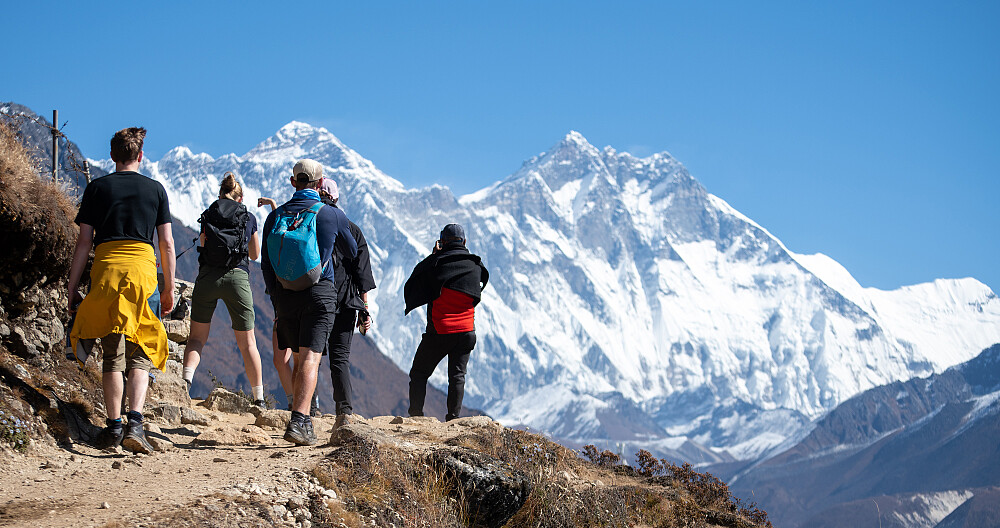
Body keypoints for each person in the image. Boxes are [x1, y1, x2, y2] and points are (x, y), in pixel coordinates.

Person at [68, 126, 175, 454]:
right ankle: (136, 423)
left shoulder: (97, 188)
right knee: (141, 348)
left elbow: (84, 242)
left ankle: (113, 427)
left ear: (113, 155)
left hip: (108, 271)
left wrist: (72, 288)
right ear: (140, 155)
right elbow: (167, 243)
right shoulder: (155, 190)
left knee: (112, 352)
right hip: (143, 271)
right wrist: (169, 288)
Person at [261, 159, 357, 445]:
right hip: (320, 292)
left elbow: (266, 264)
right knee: (311, 358)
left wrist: (277, 301)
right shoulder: (329, 214)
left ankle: (299, 414)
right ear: (320, 183)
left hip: (286, 295)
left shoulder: (275, 216)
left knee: (298, 357)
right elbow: (351, 251)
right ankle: (300, 421)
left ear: (293, 182)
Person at [181, 172, 265, 408]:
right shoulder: (247, 217)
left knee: (197, 338)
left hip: (208, 276)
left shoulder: (210, 213)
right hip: (237, 278)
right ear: (240, 198)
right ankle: (259, 398)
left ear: (221, 194)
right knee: (248, 343)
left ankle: (185, 382)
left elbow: (203, 244)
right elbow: (255, 254)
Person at [403, 224, 489, 421]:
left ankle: (416, 415)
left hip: (440, 330)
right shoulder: (476, 266)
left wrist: (434, 256)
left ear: (441, 242)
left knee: (419, 373)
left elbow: (418, 279)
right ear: (464, 242)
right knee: (457, 377)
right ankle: (453, 418)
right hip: (467, 331)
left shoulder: (437, 265)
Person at [317, 179, 376, 426]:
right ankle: (344, 413)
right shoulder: (353, 230)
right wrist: (365, 311)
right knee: (339, 358)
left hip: (318, 298)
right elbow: (362, 276)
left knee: (312, 354)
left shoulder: (313, 223)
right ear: (337, 200)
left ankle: (306, 409)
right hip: (346, 301)